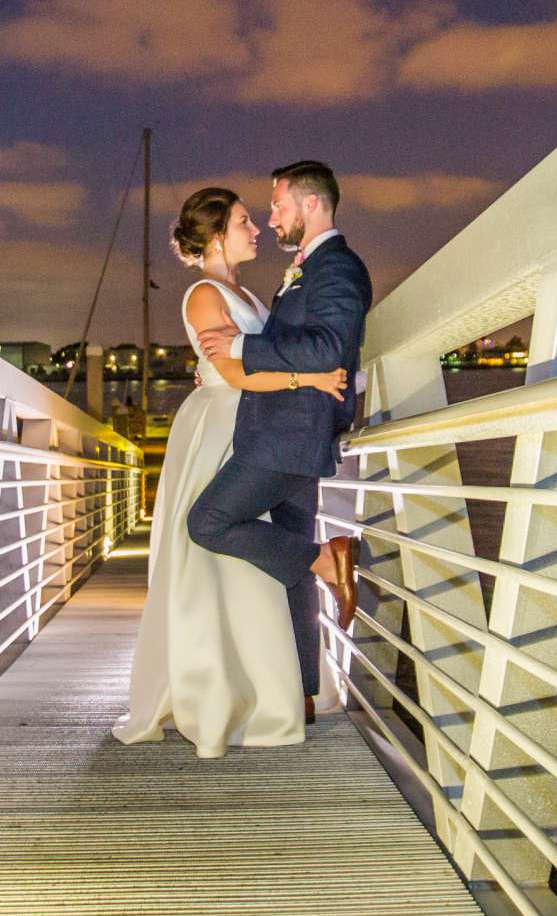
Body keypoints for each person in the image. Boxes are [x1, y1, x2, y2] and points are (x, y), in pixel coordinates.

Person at [112, 187, 351, 756]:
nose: (257, 229)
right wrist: (310, 381)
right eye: (245, 221)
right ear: (217, 234)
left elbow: (259, 355)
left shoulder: (247, 294)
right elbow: (240, 375)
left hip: (256, 423)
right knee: (211, 544)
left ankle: (281, 685)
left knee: (243, 551)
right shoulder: (202, 296)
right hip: (221, 426)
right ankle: (219, 681)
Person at [187, 161, 369, 721]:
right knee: (290, 563)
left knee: (209, 523)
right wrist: (221, 366)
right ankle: (303, 694)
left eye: (278, 205)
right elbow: (295, 347)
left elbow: (325, 349)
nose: (272, 217)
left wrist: (240, 349)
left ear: (309, 205)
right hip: (281, 427)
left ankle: (326, 558)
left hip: (291, 431)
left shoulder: (336, 267)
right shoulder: (306, 270)